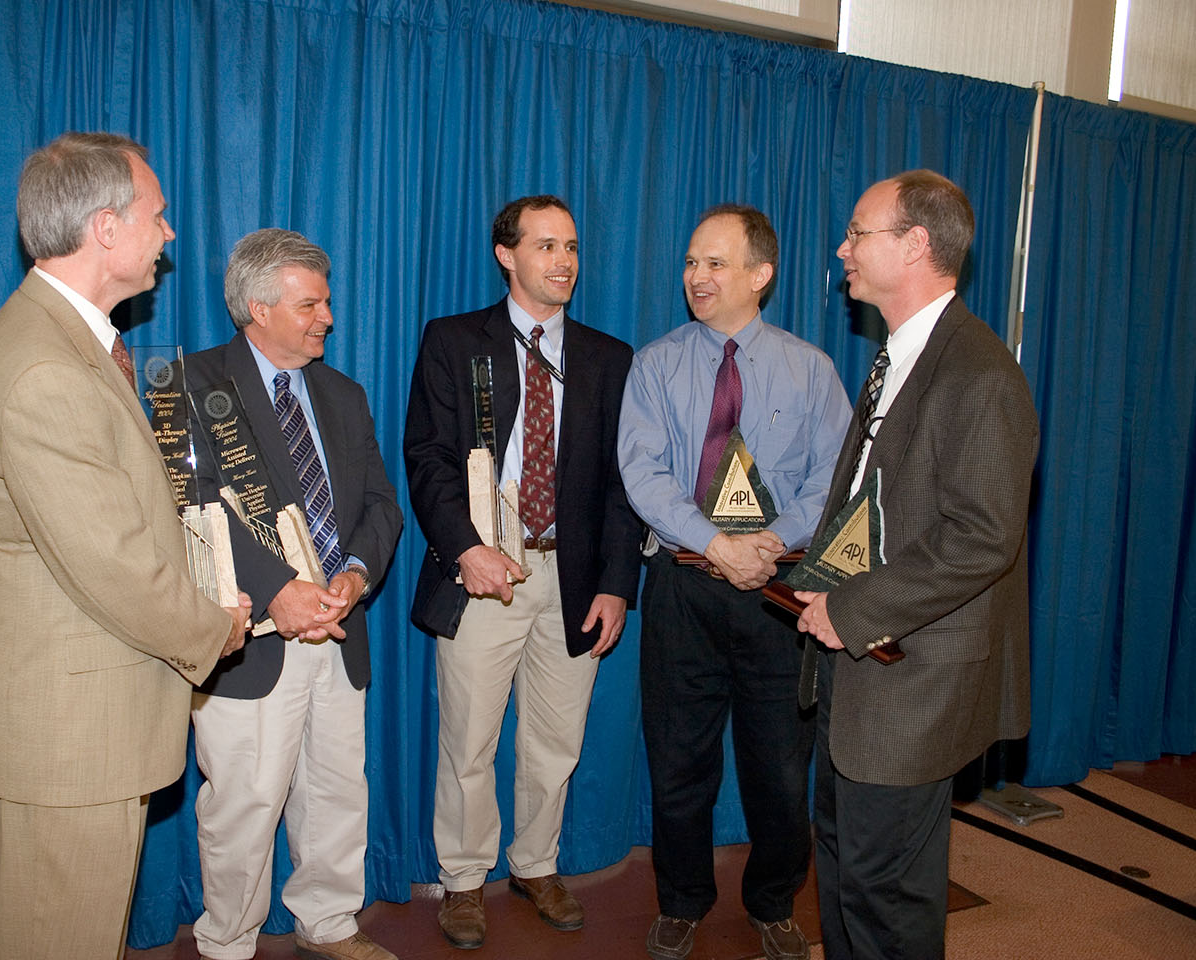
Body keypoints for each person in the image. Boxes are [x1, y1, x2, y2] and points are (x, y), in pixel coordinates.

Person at [0, 132, 251, 960]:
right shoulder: (46, 368)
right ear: (107, 228)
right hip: (63, 742)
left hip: (74, 730)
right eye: (157, 215)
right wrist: (213, 627)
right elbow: (112, 565)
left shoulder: (69, 343)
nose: (171, 234)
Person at [794, 170, 1039, 960]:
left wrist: (856, 610)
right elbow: (882, 502)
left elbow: (981, 537)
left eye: (859, 233)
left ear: (915, 245)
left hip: (913, 681)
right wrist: (818, 581)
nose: (842, 249)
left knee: (886, 892)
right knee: (841, 865)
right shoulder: (898, 355)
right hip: (854, 663)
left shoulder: (978, 373)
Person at [404, 195, 642, 949]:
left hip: (570, 581)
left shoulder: (609, 358)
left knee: (556, 740)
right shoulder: (453, 341)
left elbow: (621, 482)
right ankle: (466, 879)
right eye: (546, 246)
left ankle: (537, 865)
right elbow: (427, 459)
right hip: (482, 574)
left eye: (571, 246)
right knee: (469, 740)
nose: (564, 261)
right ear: (507, 254)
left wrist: (615, 583)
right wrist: (466, 549)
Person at [617, 204, 851, 960]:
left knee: (781, 766)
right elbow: (642, 474)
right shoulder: (655, 364)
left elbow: (838, 480)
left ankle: (774, 901)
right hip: (683, 586)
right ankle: (682, 900)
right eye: (690, 262)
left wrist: (774, 540)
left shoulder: (811, 369)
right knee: (677, 757)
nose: (696, 276)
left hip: (781, 594)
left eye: (715, 263)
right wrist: (716, 542)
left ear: (761, 273)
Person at [182, 229, 403, 960]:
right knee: (243, 805)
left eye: (327, 302)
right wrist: (279, 591)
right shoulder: (190, 385)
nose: (328, 318)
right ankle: (228, 943)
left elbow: (381, 504)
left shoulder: (343, 394)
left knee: (338, 790)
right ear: (258, 307)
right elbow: (190, 506)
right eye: (311, 304)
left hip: (341, 633)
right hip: (254, 643)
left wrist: (355, 575)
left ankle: (329, 923)